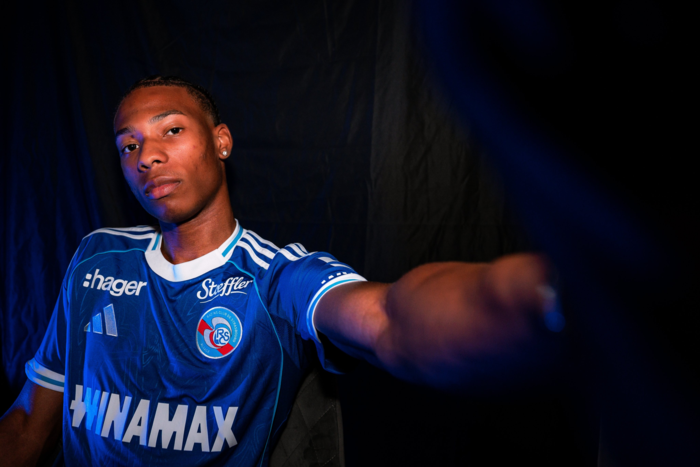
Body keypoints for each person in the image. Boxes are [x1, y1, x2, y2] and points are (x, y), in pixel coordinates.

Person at [0, 76, 552, 466]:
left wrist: (540, 297)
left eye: (171, 131)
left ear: (220, 141)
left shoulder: (275, 278)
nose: (147, 156)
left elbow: (390, 317)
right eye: (129, 145)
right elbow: (27, 426)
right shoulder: (96, 258)